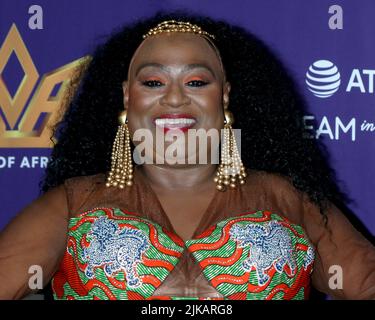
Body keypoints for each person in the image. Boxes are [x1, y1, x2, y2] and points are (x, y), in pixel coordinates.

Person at [0, 11, 374, 300]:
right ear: (128, 97)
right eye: (153, 82)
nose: (175, 98)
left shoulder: (290, 200)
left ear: (224, 95)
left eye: (196, 82)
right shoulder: (72, 204)